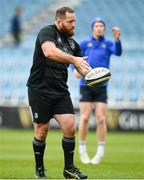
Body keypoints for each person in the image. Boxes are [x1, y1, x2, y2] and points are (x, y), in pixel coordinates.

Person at [26, 6, 91, 179]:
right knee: (42, 131)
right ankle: (39, 170)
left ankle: (69, 169)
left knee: (70, 126)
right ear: (59, 21)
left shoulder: (73, 44)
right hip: (39, 90)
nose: (73, 25)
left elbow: (81, 68)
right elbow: (49, 52)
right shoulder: (47, 32)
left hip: (60, 91)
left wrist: (92, 74)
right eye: (70, 22)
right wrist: (74, 59)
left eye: (74, 21)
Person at [73, 18, 122, 164]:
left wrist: (117, 40)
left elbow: (118, 52)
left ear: (104, 29)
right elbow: (75, 59)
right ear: (92, 28)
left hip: (101, 86)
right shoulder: (84, 44)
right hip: (85, 85)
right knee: (85, 118)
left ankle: (100, 151)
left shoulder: (108, 44)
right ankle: (82, 149)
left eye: (101, 26)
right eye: (96, 26)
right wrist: (74, 70)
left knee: (101, 118)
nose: (99, 28)